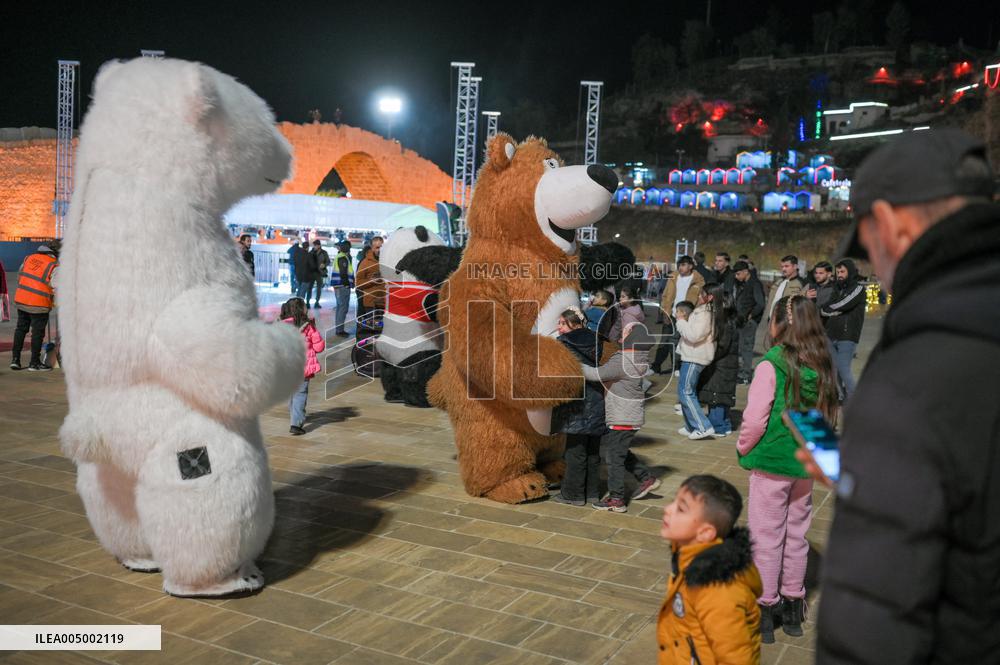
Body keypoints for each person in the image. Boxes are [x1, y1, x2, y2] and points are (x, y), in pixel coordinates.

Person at [804, 128, 1000, 664]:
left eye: (868, 247)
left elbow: (874, 614)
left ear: (891, 223)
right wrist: (871, 470)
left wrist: (879, 472)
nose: (877, 267)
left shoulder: (918, 370)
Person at [737, 295, 839, 643]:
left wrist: (745, 446)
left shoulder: (772, 363)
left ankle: (765, 608)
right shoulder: (823, 362)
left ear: (779, 323)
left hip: (773, 461)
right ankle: (794, 604)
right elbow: (825, 418)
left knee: (765, 537)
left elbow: (755, 419)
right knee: (796, 535)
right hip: (803, 465)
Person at [657, 475, 762, 665]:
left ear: (705, 533)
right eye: (674, 502)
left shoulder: (717, 591)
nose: (667, 509)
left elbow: (735, 658)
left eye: (681, 509)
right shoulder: (688, 557)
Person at [582, 322, 656, 512]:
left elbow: (594, 374)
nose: (621, 334)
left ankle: (616, 499)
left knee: (613, 458)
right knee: (619, 450)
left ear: (631, 337)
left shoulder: (623, 359)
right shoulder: (640, 357)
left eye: (625, 331)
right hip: (632, 415)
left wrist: (572, 361)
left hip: (622, 415)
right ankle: (646, 477)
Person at [550, 308, 606, 507]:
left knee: (575, 452)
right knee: (592, 452)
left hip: (576, 404)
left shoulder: (563, 344)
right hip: (597, 400)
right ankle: (592, 493)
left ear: (574, 324)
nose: (558, 327)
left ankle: (572, 494)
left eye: (562, 323)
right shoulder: (597, 340)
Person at [10, 241, 60, 371]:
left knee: (21, 329)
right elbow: (56, 285)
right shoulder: (53, 265)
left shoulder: (29, 258)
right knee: (37, 333)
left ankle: (15, 360)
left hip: (22, 300)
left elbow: (19, 276)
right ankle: (34, 363)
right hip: (39, 303)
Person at [676, 288, 719, 440]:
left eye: (702, 294)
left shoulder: (705, 314)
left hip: (696, 356)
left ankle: (703, 426)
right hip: (692, 355)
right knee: (687, 391)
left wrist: (681, 322)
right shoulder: (701, 311)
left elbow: (694, 336)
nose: (699, 296)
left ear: (710, 296)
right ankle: (691, 426)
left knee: (685, 392)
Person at [820, 259, 865, 399]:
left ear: (850, 271)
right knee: (833, 369)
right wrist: (828, 309)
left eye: (842, 271)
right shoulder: (837, 288)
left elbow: (843, 304)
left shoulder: (859, 289)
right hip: (831, 333)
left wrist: (829, 308)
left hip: (847, 335)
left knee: (843, 368)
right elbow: (826, 305)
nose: (839, 274)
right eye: (837, 272)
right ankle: (839, 396)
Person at [697, 284, 738, 436]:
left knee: (717, 395)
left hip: (722, 365)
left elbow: (722, 346)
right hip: (725, 364)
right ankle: (724, 424)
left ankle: (719, 426)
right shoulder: (728, 321)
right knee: (721, 396)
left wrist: (708, 355)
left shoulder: (725, 323)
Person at [280, 297, 325, 435]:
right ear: (302, 310)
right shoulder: (309, 327)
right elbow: (319, 347)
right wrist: (315, 331)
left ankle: (294, 415)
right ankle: (296, 424)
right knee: (300, 394)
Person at [653, 256, 705, 375]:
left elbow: (700, 300)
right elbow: (665, 296)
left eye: (683, 265)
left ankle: (676, 367)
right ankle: (655, 366)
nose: (680, 268)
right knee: (664, 341)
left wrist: (693, 315)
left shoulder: (699, 280)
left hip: (686, 317)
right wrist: (665, 312)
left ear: (690, 266)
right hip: (671, 314)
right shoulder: (673, 277)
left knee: (678, 342)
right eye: (679, 265)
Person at [732, 260, 765, 383]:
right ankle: (742, 373)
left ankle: (746, 375)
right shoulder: (743, 283)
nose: (736, 276)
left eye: (738, 274)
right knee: (741, 347)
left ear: (746, 272)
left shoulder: (755, 284)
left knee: (746, 348)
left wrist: (750, 316)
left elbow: (760, 304)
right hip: (741, 320)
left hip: (749, 322)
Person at [765, 255, 805, 346]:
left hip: (787, 324)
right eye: (782, 266)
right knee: (772, 349)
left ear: (795, 266)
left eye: (786, 266)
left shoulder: (801, 283)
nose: (783, 269)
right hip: (772, 321)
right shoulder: (779, 282)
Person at [355, 236, 384, 322]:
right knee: (372, 330)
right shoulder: (365, 262)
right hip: (371, 304)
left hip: (385, 303)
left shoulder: (388, 260)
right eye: (377, 247)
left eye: (382, 247)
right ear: (372, 248)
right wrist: (371, 281)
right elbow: (358, 283)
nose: (380, 250)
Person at [332, 241, 354, 336]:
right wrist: (347, 284)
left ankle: (338, 329)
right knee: (343, 308)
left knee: (340, 308)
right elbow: (343, 273)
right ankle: (340, 330)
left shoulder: (340, 256)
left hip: (338, 286)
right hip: (342, 286)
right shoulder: (343, 257)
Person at [310, 239, 330, 309]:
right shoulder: (311, 252)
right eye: (314, 245)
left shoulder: (324, 253)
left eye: (315, 245)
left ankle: (317, 302)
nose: (314, 247)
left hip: (320, 272)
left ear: (319, 245)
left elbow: (328, 261)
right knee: (310, 288)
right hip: (312, 273)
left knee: (319, 288)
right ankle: (307, 302)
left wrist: (324, 265)